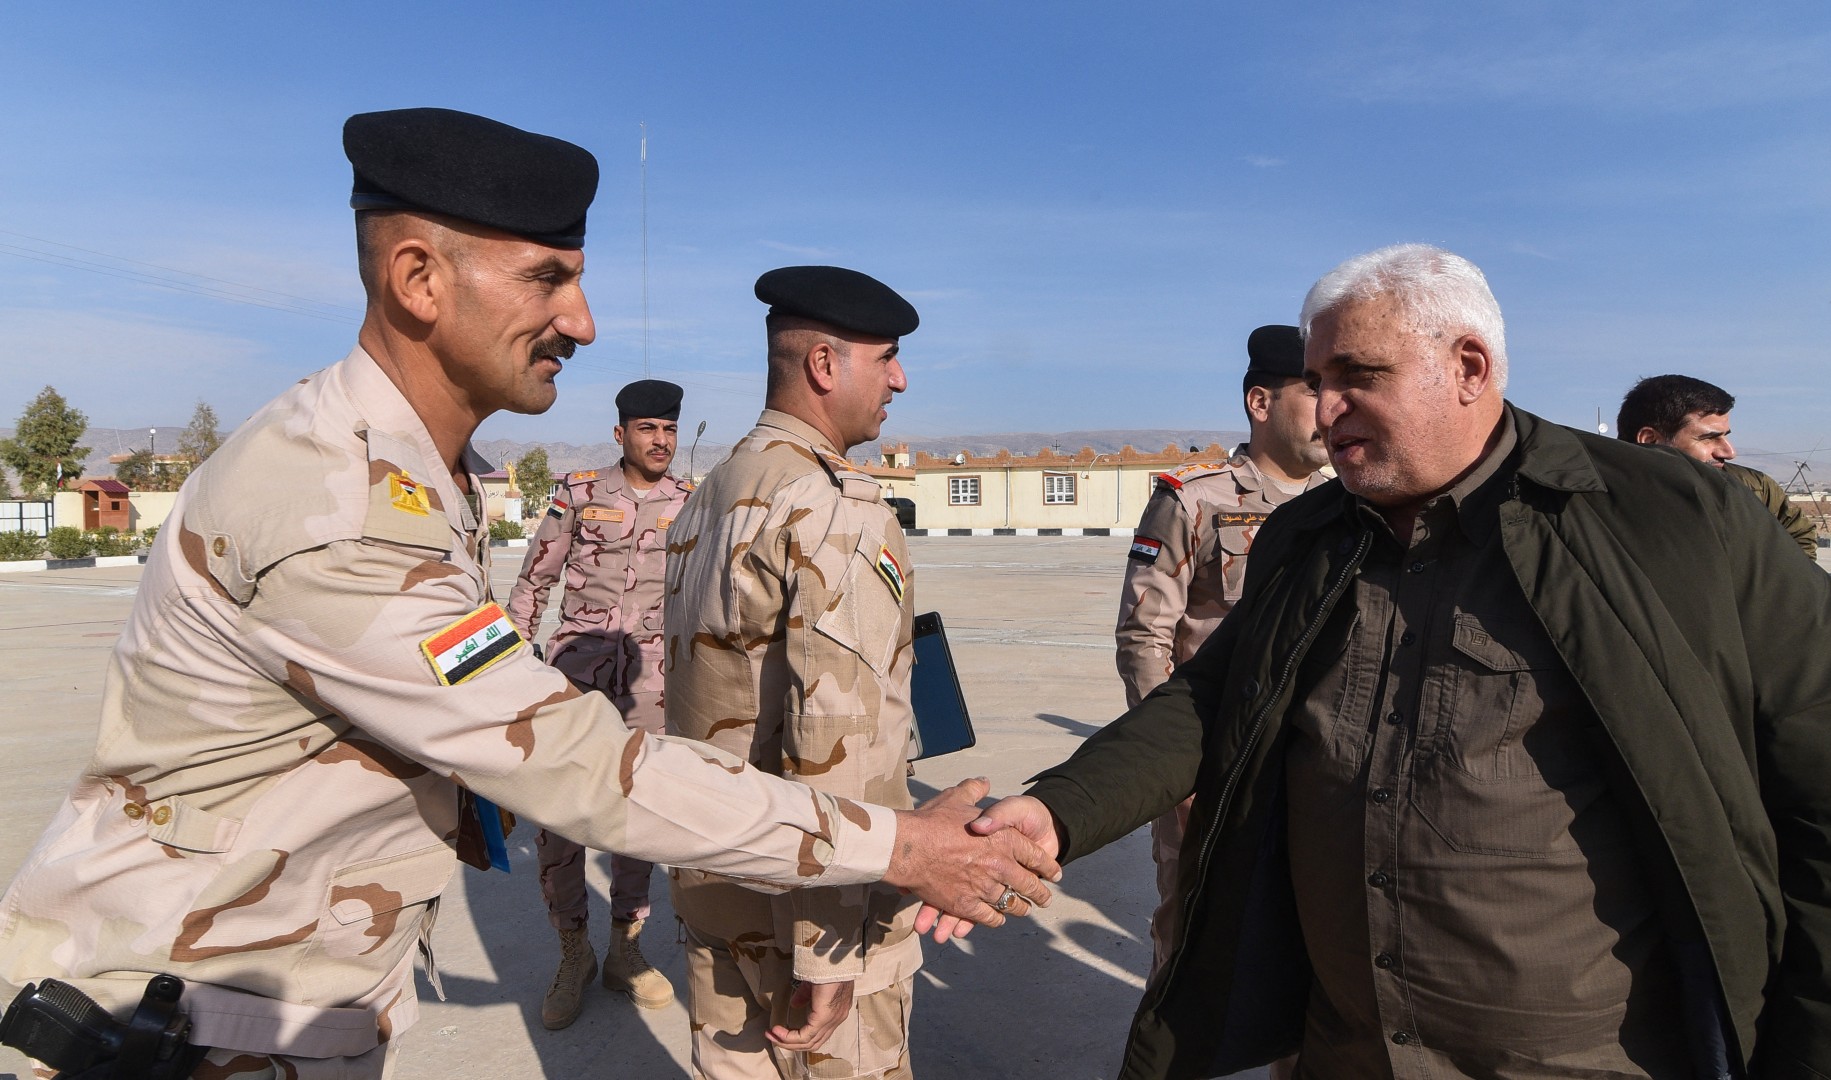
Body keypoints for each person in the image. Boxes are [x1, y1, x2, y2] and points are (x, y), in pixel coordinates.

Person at [0, 110, 1055, 1080]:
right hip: (178, 1026)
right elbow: (573, 762)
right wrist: (900, 846)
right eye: (547, 279)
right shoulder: (342, 507)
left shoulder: (407, 473)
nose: (582, 322)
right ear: (419, 278)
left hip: (252, 1002)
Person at [967, 244, 1831, 1078]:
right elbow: (1215, 698)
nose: (1324, 409)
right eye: (1315, 378)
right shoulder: (1308, 536)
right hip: (1349, 1052)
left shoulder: (1673, 523)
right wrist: (1059, 806)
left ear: (1468, 366)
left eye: (1357, 375)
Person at [662, 266, 928, 1080]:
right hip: (805, 904)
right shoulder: (833, 505)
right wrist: (829, 955)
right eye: (885, 358)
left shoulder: (713, 491)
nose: (900, 379)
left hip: (715, 879)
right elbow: (837, 744)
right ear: (823, 365)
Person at [1114, 323, 1327, 974]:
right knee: (1195, 944)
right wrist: (1176, 771)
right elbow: (1144, 638)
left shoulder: (1346, 503)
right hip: (1215, 766)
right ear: (1260, 403)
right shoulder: (1197, 501)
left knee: (1313, 960)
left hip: (1315, 772)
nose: (1333, 406)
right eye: (1313, 389)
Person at [506, 378, 690, 1027]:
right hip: (575, 675)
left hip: (651, 681)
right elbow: (534, 580)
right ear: (622, 434)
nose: (660, 440)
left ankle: (626, 952)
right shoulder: (579, 492)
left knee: (637, 813)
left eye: (669, 429)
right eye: (647, 428)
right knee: (560, 813)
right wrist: (505, 671)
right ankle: (573, 950)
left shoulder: (693, 504)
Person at [1617, 373, 1818, 558]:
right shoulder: (1599, 502)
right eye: (1709, 438)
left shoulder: (1754, 488)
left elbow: (1799, 536)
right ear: (1650, 440)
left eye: (1724, 436)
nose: (1729, 452)